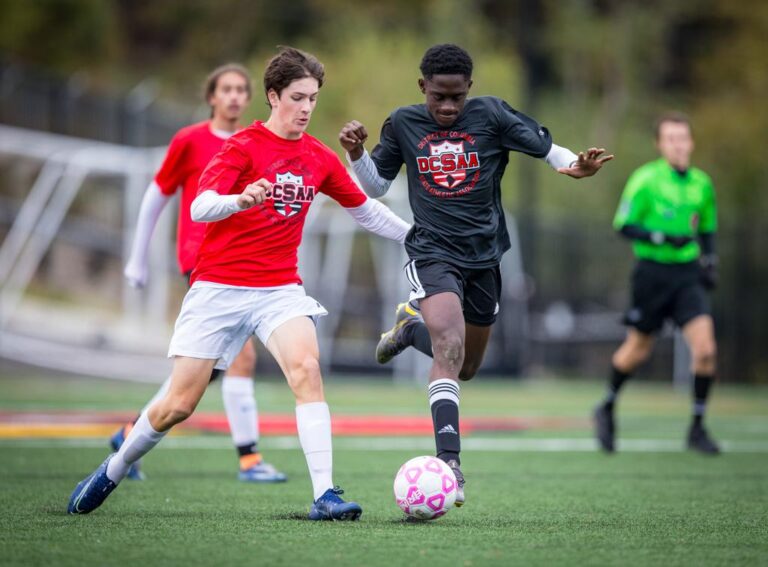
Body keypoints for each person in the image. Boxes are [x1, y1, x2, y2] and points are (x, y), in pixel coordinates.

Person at [68, 46, 411, 519]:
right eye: (297, 97)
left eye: (313, 97)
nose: (307, 107)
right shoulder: (242, 147)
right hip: (218, 288)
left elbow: (367, 211)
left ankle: (325, 495)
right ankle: (114, 467)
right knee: (178, 404)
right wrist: (241, 199)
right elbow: (199, 207)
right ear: (272, 96)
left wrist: (418, 236)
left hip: (279, 290)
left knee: (307, 370)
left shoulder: (319, 157)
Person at [339, 43, 612, 506]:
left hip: (485, 257)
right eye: (438, 97)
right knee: (449, 346)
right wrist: (358, 152)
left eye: (457, 97)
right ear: (422, 87)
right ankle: (450, 464)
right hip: (432, 251)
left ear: (470, 90)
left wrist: (572, 164)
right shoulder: (403, 122)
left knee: (465, 366)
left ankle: (409, 331)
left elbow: (547, 148)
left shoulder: (491, 115)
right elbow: (376, 185)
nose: (447, 107)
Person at [118, 63, 285, 483]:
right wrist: (137, 258)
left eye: (240, 90)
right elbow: (156, 196)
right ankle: (249, 459)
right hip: (204, 259)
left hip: (246, 260)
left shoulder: (258, 141)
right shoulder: (189, 141)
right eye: (225, 89)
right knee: (241, 356)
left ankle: (128, 435)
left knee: (204, 369)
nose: (233, 96)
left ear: (252, 98)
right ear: (211, 96)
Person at [593, 112, 720, 455]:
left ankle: (697, 427)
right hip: (651, 274)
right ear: (660, 144)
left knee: (706, 350)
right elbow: (624, 225)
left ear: (691, 142)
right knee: (638, 350)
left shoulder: (701, 183)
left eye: (683, 138)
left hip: (687, 276)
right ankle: (606, 406)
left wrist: (710, 261)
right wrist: (660, 236)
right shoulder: (646, 179)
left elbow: (707, 228)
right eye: (671, 139)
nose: (678, 145)